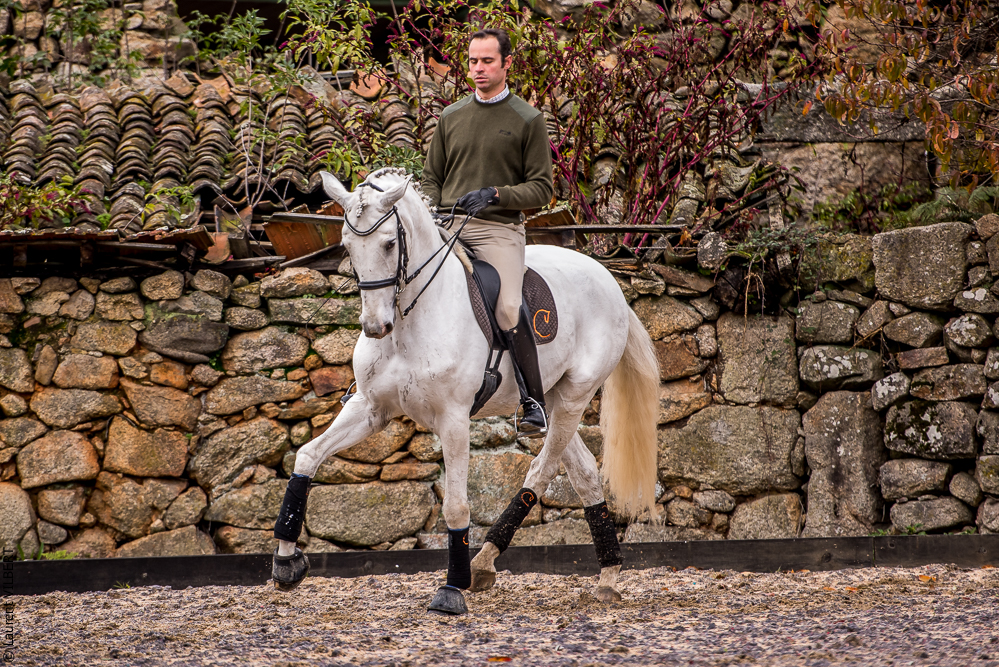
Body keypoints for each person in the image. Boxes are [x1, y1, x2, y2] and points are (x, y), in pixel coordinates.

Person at [422, 27, 554, 438]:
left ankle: (533, 402)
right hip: (446, 226)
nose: (478, 69)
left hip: (497, 230)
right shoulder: (451, 116)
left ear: (507, 64)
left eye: (487, 61)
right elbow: (430, 178)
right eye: (473, 61)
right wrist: (429, 211)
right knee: (403, 280)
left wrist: (495, 194)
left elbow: (543, 188)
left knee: (508, 309)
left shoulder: (528, 119)